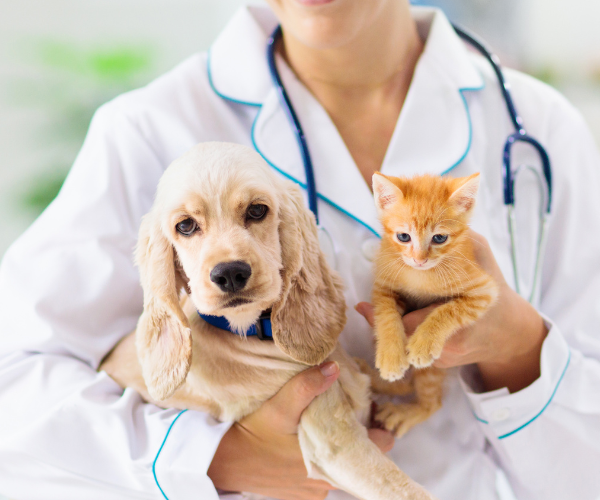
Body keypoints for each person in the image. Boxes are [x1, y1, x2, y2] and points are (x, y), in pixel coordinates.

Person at [0, 1, 599, 499]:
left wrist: (521, 346)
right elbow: (16, 395)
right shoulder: (147, 129)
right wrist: (210, 457)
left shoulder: (539, 127)